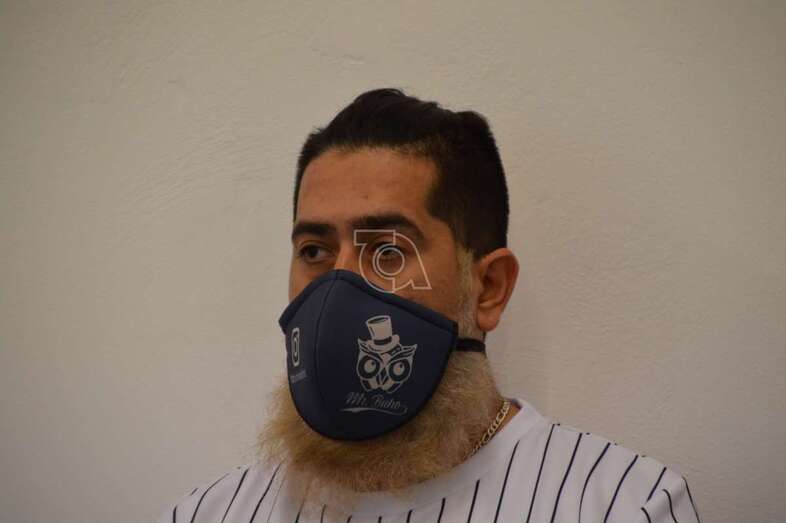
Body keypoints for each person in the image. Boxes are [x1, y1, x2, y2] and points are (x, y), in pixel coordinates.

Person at [157, 88, 700, 522]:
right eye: (315, 251)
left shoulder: (623, 505)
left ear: (488, 288)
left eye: (388, 251)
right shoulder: (209, 513)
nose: (339, 287)